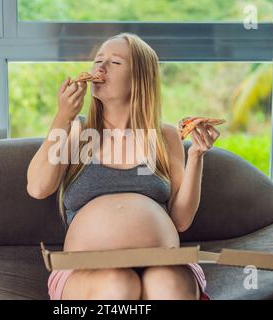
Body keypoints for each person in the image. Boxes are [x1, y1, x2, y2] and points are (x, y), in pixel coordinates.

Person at [27, 32, 220, 300]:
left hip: (163, 261)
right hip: (87, 271)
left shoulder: (165, 136)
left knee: (167, 284)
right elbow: (37, 187)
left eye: (115, 63)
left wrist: (197, 156)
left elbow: (181, 220)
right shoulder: (78, 131)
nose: (100, 68)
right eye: (98, 60)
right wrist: (62, 117)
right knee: (118, 283)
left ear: (140, 78)